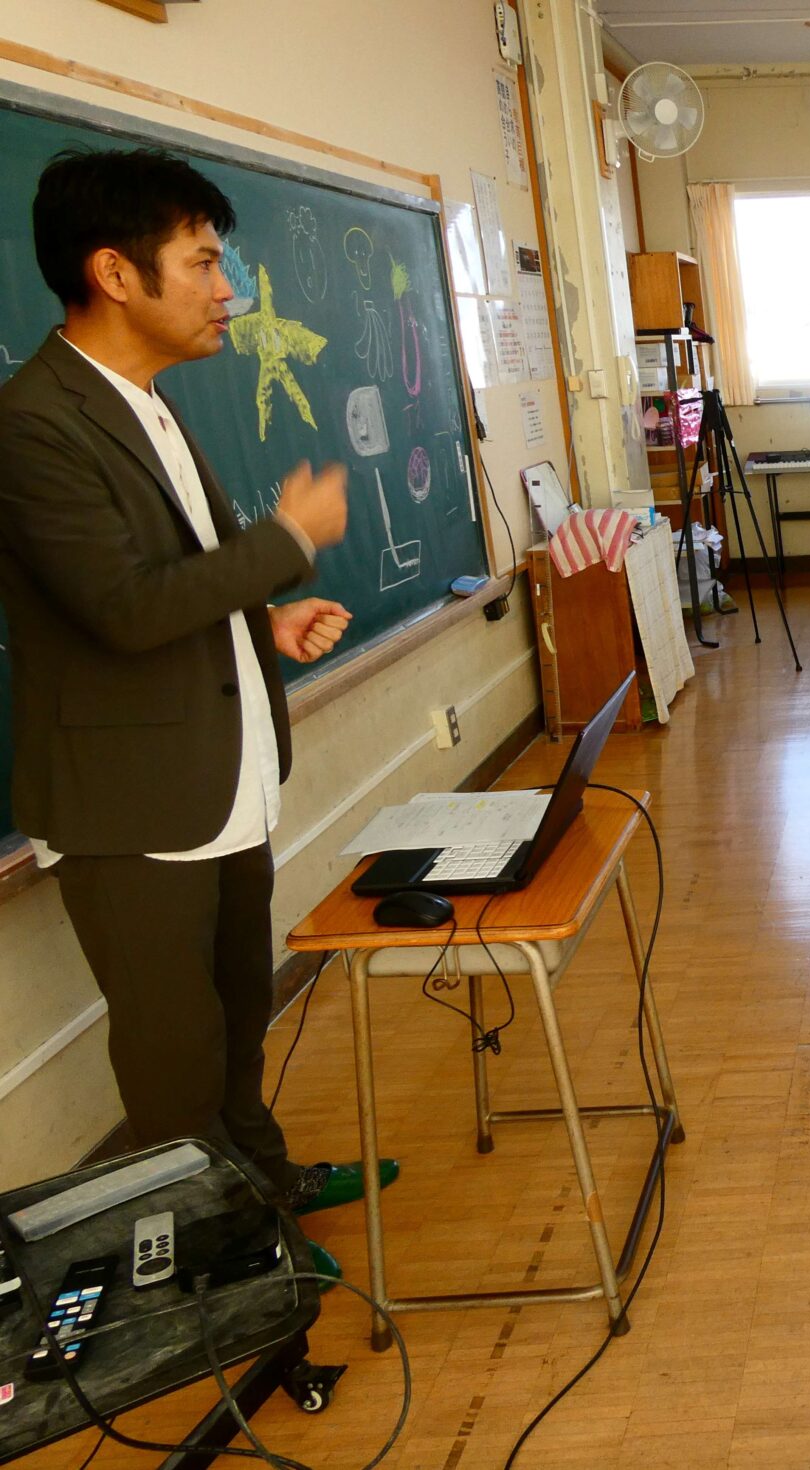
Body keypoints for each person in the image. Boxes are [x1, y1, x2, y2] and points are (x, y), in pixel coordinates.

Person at [0, 149, 396, 1262]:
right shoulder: (33, 424)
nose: (230, 290)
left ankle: (265, 1189)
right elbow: (123, 610)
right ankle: (227, 1274)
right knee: (174, 1064)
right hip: (136, 811)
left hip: (220, 783)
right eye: (205, 263)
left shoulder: (149, 406)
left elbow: (170, 587)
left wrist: (261, 625)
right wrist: (287, 541)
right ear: (114, 273)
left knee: (233, 1027)